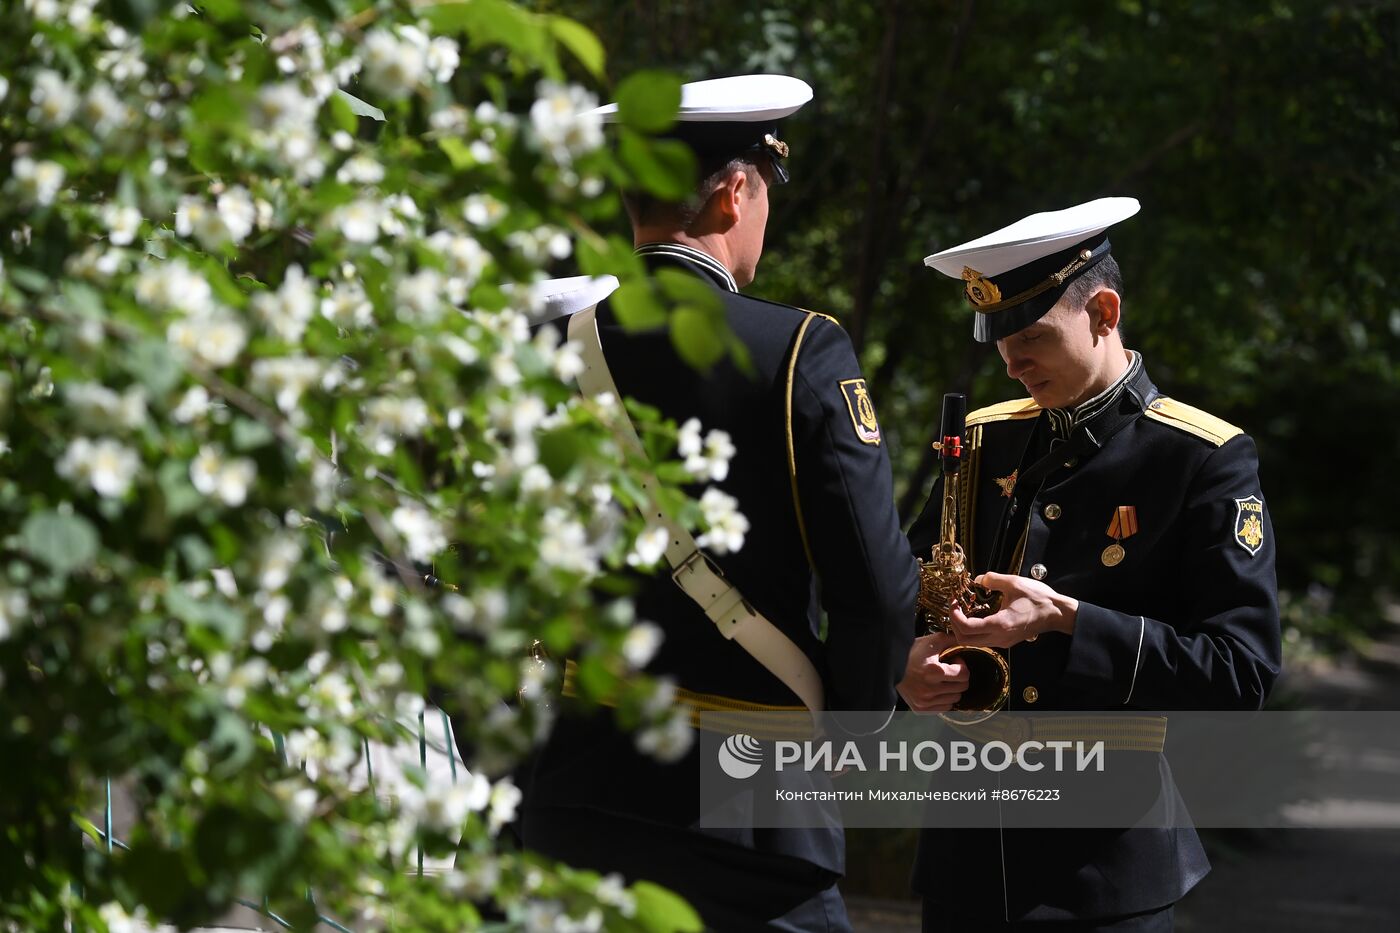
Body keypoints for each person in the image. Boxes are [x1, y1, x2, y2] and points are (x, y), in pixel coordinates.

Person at [520, 75, 917, 931]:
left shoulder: (549, 344)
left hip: (577, 785)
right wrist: (853, 730)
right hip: (751, 820)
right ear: (737, 192)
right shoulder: (802, 350)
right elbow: (878, 590)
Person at [901, 198, 1282, 931]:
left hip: (1108, 870)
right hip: (967, 858)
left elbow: (1241, 673)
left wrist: (1069, 621)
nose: (1011, 362)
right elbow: (904, 585)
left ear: (1104, 310)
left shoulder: (1201, 456)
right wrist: (904, 659)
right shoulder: (984, 441)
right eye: (1000, 342)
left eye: (1033, 336)